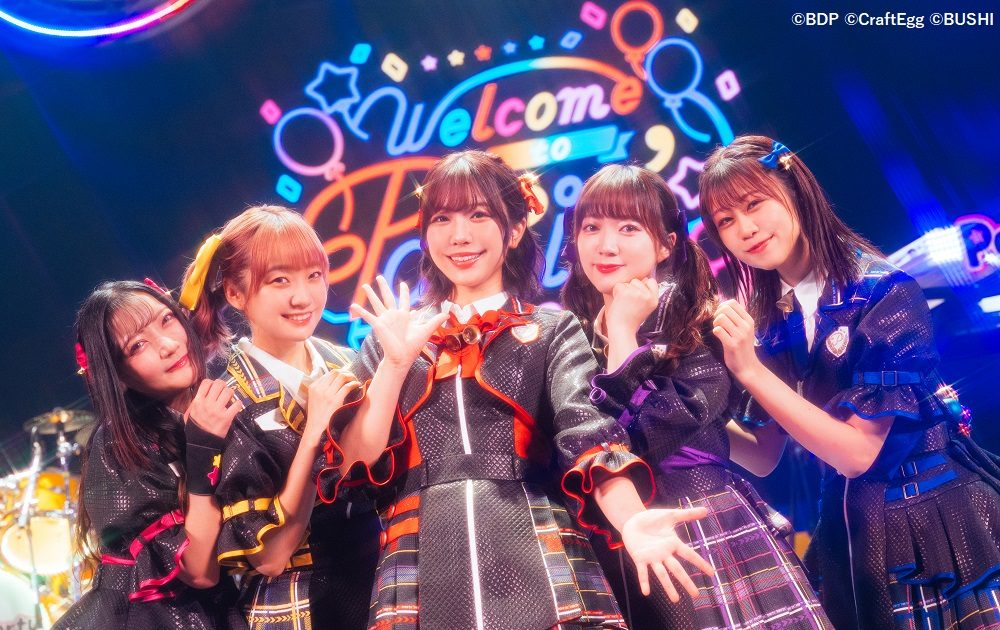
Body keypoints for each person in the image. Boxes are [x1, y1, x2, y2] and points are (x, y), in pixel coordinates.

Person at [319, 150, 715, 630]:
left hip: (535, 544)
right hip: (420, 552)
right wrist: (396, 365)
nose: (459, 236)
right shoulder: (391, 337)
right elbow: (354, 461)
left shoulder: (552, 329)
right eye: (442, 218)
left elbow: (588, 434)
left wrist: (631, 519)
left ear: (514, 229)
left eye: (478, 215)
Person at [701, 135, 1000, 629]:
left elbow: (858, 454)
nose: (745, 229)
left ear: (795, 189)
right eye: (725, 221)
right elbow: (762, 454)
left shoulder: (885, 291)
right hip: (850, 535)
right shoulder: (772, 319)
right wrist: (682, 410)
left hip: (934, 532)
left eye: (754, 204)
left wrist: (749, 370)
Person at [561, 163, 831, 629]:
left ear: (666, 244)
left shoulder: (698, 324)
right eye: (592, 228)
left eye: (628, 228)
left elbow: (637, 438)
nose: (606, 246)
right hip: (612, 538)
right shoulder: (571, 338)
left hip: (701, 521)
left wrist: (624, 331)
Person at [180, 205, 378, 629]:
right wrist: (315, 433)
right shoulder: (227, 401)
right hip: (298, 603)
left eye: (313, 275)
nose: (302, 297)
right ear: (235, 294)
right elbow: (269, 558)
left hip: (376, 584)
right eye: (279, 280)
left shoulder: (349, 364)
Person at [54, 279, 244, 629]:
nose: (168, 345)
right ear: (118, 375)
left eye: (166, 320)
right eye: (138, 345)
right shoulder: (116, 447)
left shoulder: (217, 401)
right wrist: (203, 448)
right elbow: (199, 571)